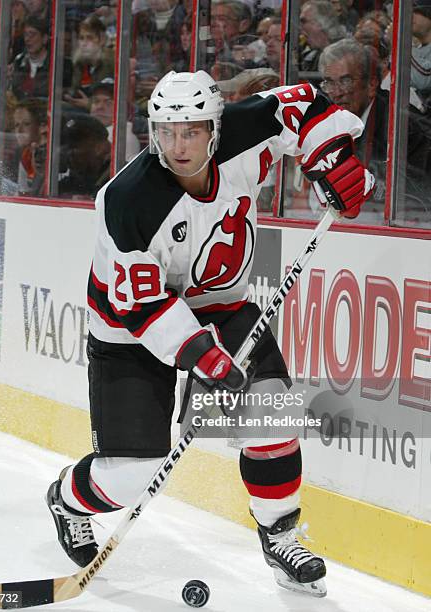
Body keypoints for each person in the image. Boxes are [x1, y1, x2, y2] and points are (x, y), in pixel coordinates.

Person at [46, 70, 374, 597]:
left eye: (192, 130)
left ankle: (280, 534)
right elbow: (141, 304)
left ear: (214, 126)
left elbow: (308, 105)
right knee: (132, 475)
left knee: (271, 414)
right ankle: (67, 498)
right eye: (167, 131)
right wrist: (202, 355)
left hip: (223, 307)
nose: (178, 146)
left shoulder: (246, 130)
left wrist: (329, 161)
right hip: (130, 331)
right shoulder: (127, 200)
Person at [319, 38, 431, 213]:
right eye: (329, 83)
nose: (336, 92)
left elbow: (415, 203)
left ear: (371, 85)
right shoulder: (329, 121)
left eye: (345, 81)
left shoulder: (403, 128)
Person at [411, 0, 431, 101]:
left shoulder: (409, 51)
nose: (410, 16)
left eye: (416, 11)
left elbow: (423, 80)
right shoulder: (417, 50)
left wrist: (399, 41)